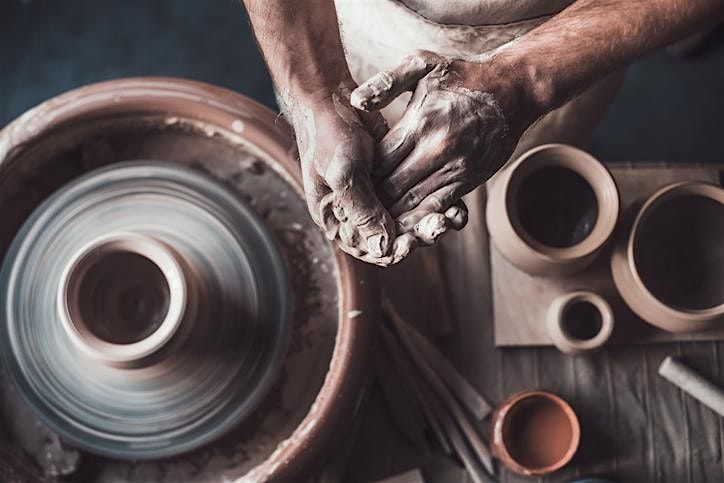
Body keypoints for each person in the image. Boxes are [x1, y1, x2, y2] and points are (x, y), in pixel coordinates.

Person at [242, 0, 724, 267]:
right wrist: (315, 92)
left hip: (554, 28)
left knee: (530, 168)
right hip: (371, 14)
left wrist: (522, 83)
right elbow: (316, 89)